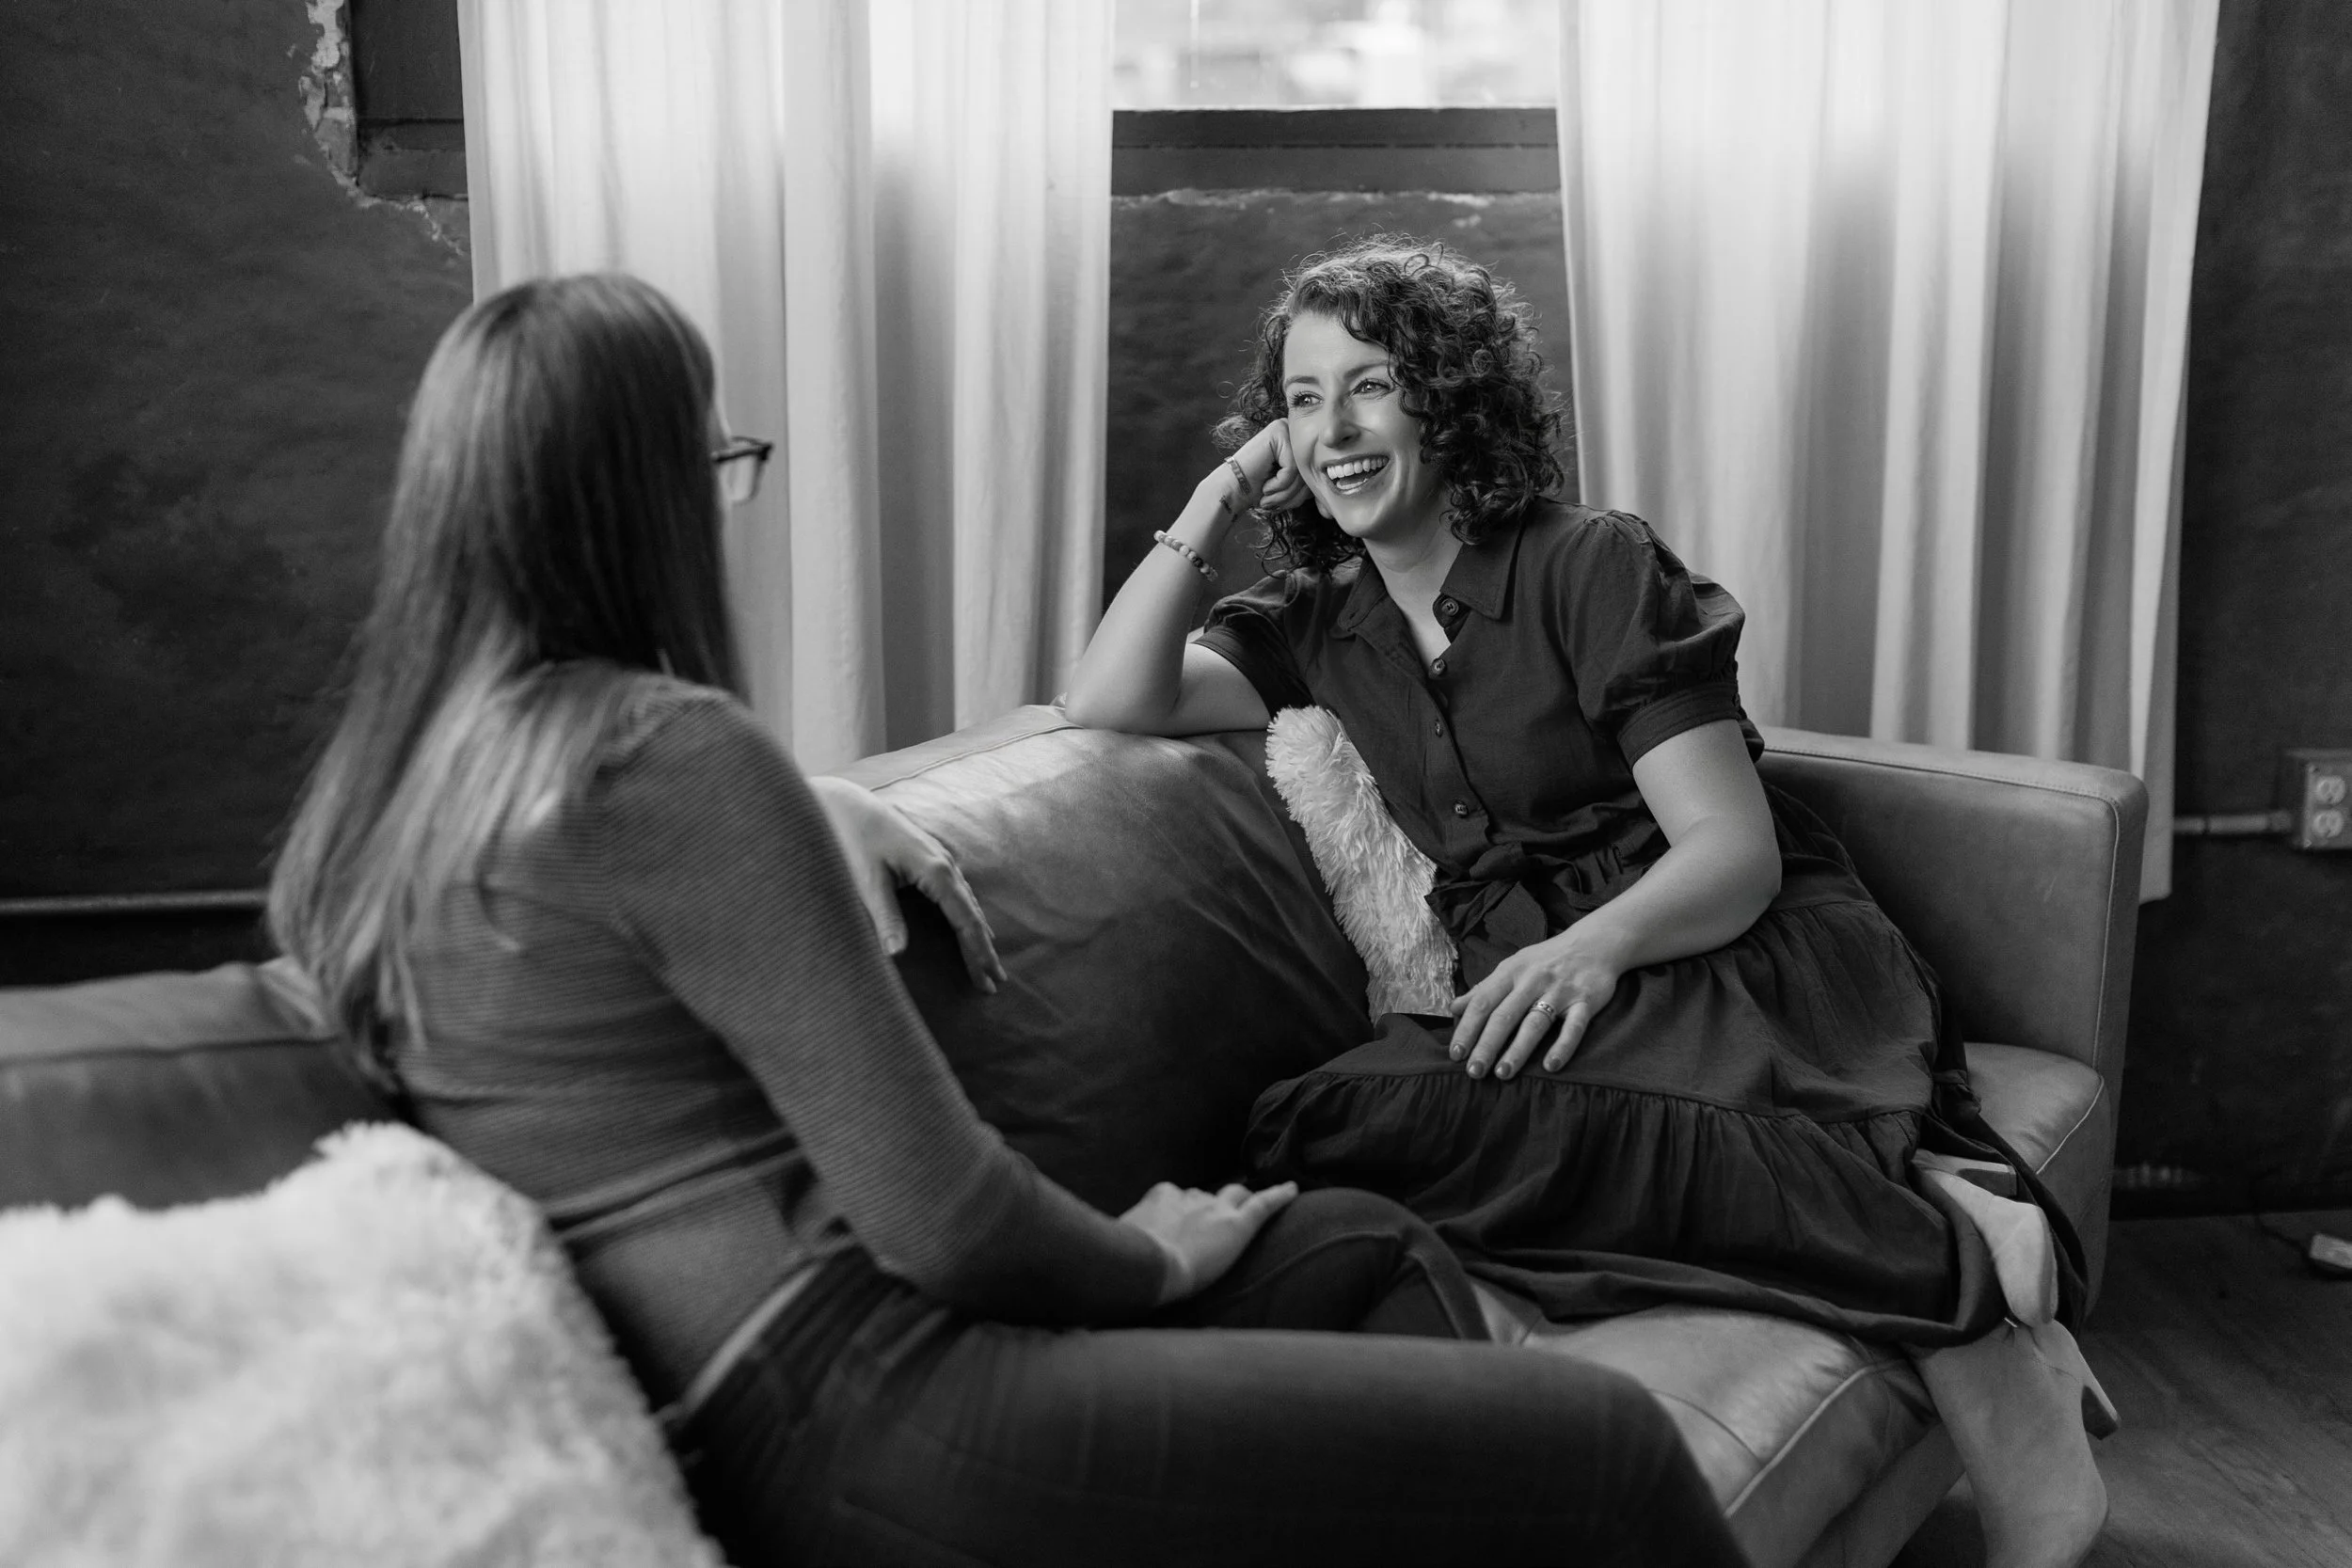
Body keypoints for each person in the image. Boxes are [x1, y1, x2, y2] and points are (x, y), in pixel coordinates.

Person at [266, 272, 1747, 1568]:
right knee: (1603, 1447)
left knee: (1347, 1234)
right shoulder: (664, 762)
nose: (726, 501)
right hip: (856, 1403)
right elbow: (950, 1221)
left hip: (724, 1390)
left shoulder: (388, 794)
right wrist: (1154, 1254)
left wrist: (807, 797)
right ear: (635, 497)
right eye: (717, 463)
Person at [1064, 238, 2115, 1568]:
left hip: (1717, 944)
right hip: (1543, 1000)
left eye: (1371, 385)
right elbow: (1110, 697)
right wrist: (1219, 494)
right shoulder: (1312, 623)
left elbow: (1729, 850)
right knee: (1315, 1130)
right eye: (1301, 398)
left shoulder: (1589, 563)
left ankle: (1983, 1332)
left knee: (1563, 1135)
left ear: (1447, 397)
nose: (1332, 429)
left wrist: (1587, 952)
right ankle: (1944, 1207)